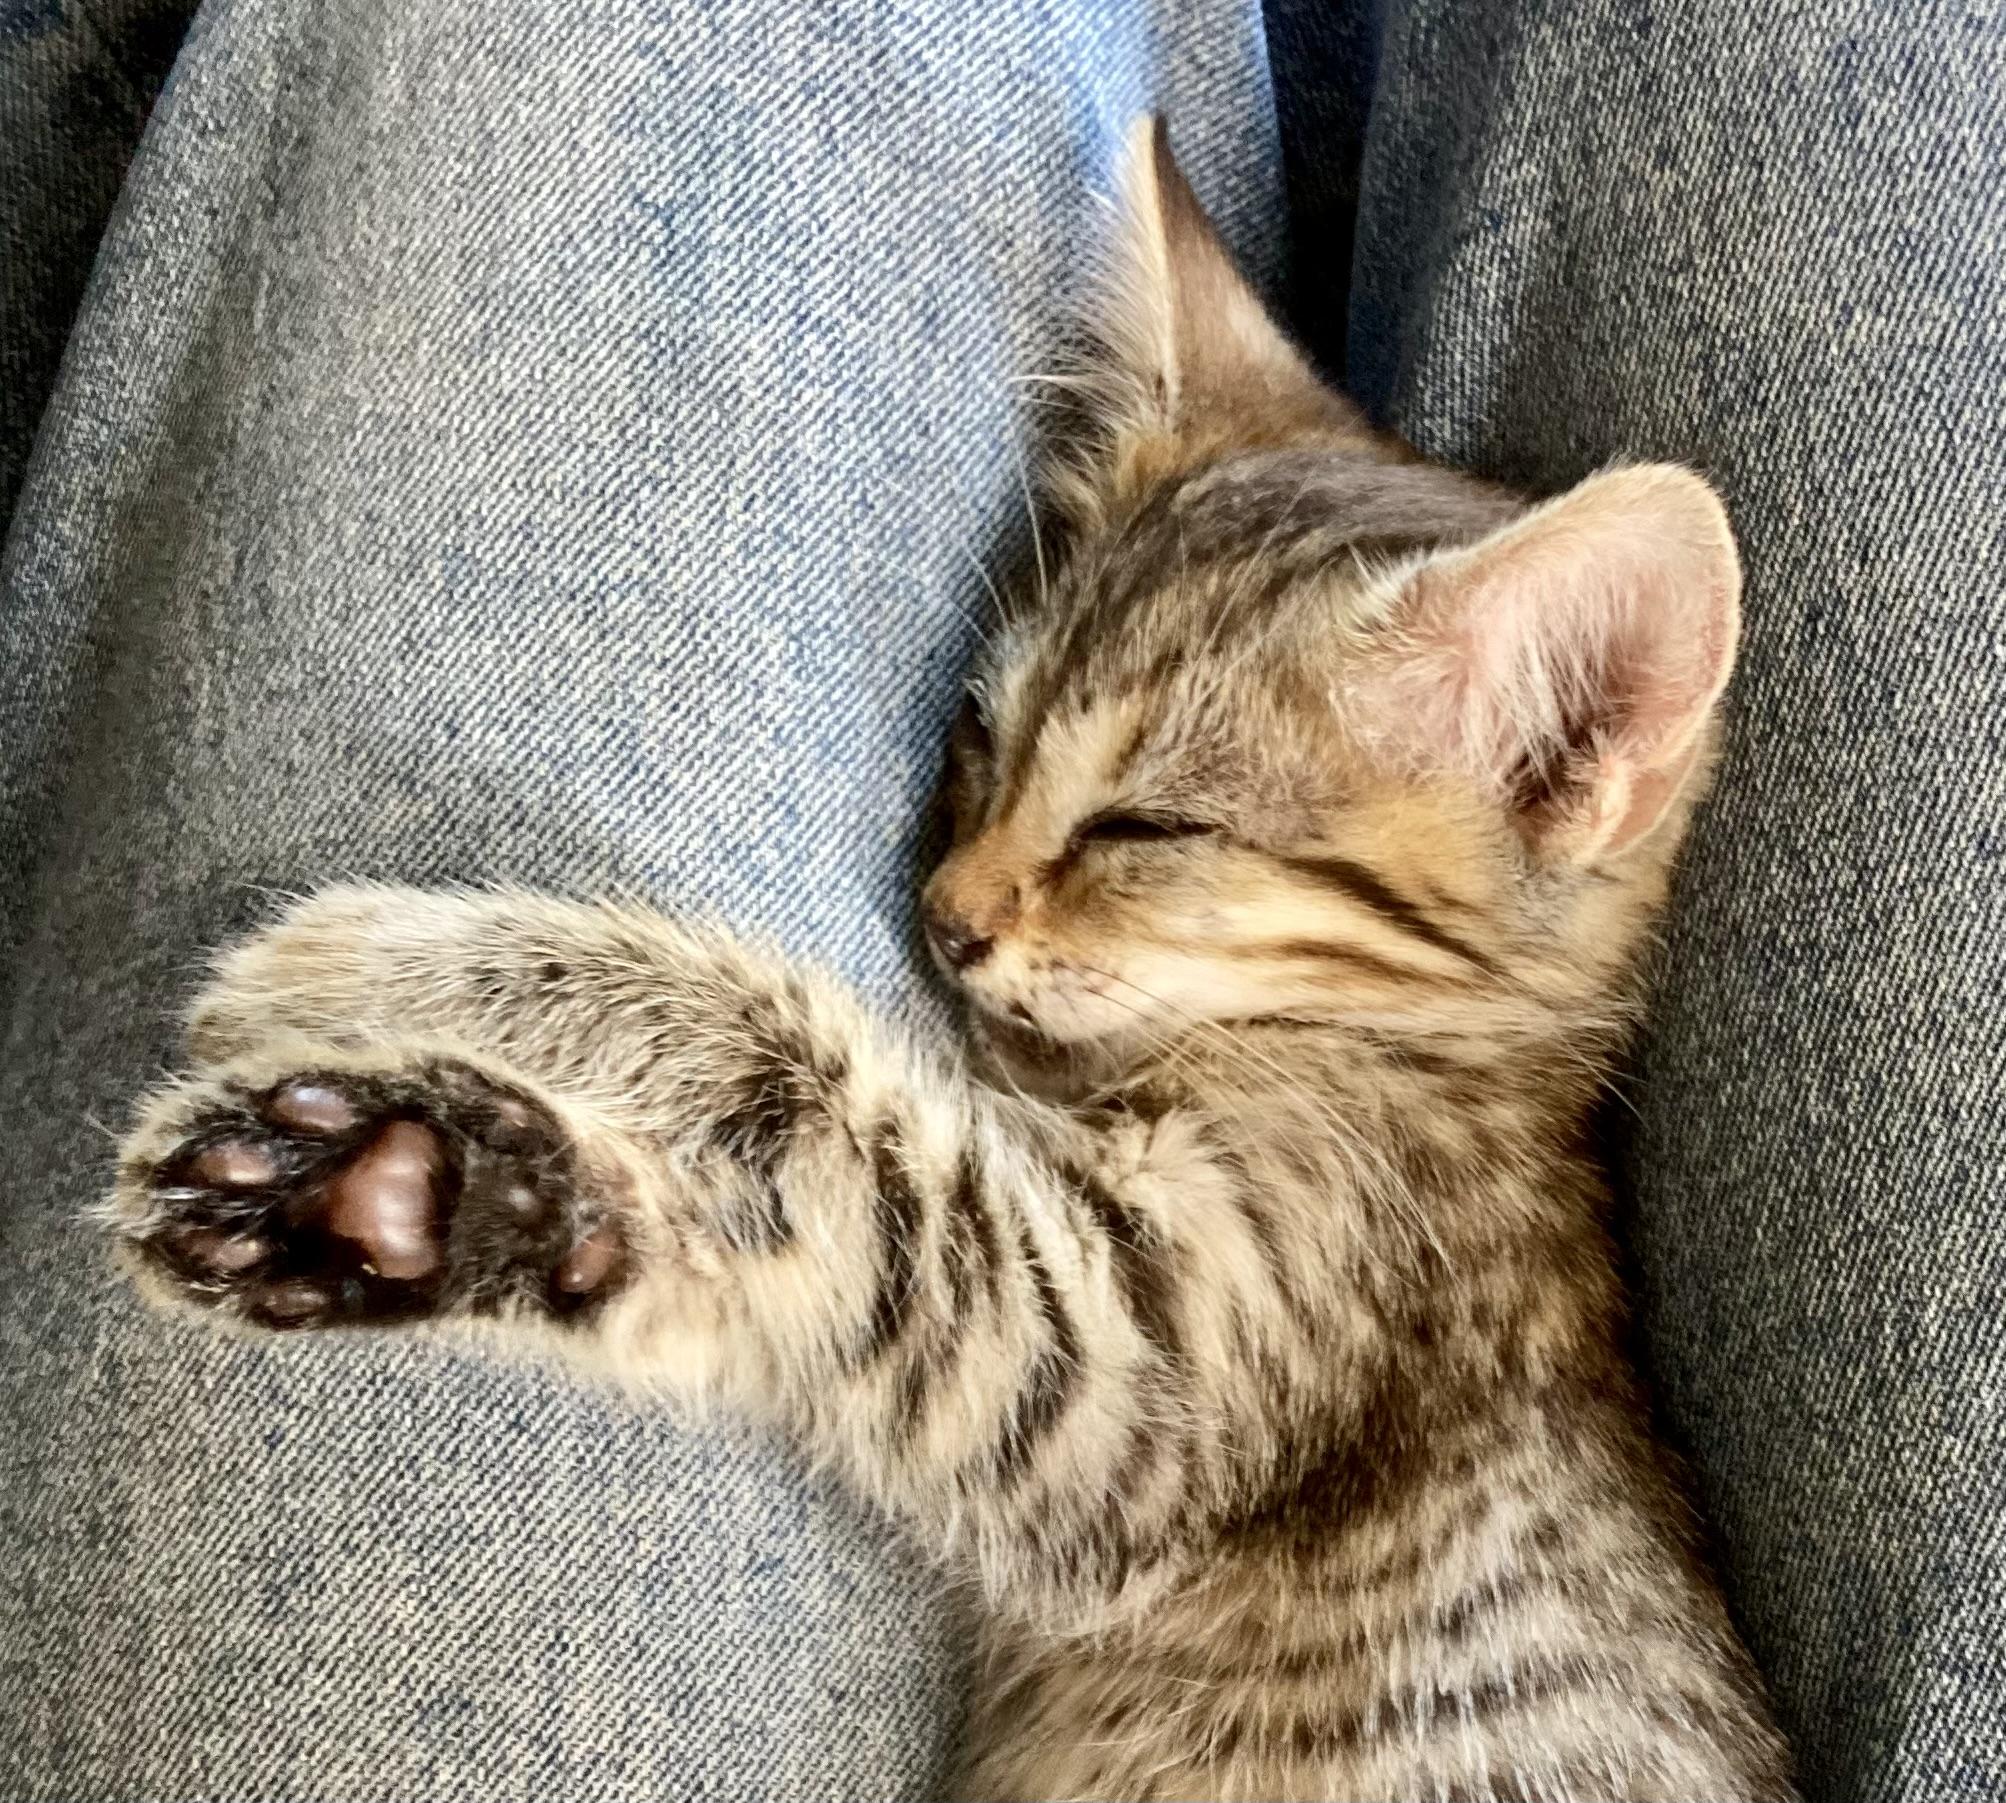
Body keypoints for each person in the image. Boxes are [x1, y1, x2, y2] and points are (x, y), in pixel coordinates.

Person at [2, 2, 1997, 1798]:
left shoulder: (1421, 1174)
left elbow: (1087, 1428)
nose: (965, 895)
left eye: (1139, 834)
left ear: (1554, 767)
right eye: (993, 754)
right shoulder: (1290, 1026)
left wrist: (603, 1004)